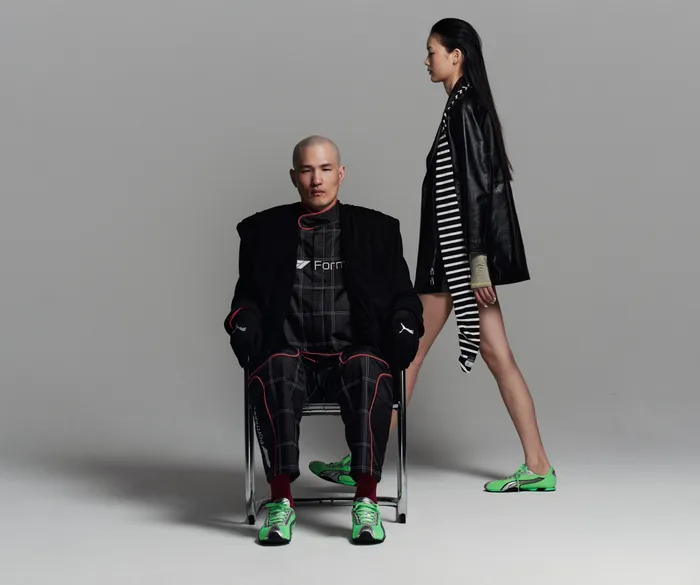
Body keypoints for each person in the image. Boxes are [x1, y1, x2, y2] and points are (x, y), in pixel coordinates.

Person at [309, 18, 556, 493]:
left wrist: (477, 265)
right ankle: (539, 466)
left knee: (409, 353)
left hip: (456, 262)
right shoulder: (461, 106)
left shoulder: (466, 109)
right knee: (485, 354)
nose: (426, 61)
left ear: (455, 55)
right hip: (456, 259)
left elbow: (478, 191)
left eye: (432, 52)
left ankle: (362, 461)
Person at [224, 135, 423, 545]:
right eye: (307, 170)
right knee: (276, 365)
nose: (317, 179)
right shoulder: (264, 232)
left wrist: (405, 323)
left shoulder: (377, 230)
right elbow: (246, 300)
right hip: (292, 357)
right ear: (293, 176)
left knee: (368, 367)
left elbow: (404, 298)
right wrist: (241, 322)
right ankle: (281, 502)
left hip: (349, 358)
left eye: (326, 169)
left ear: (341, 174)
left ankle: (366, 502)